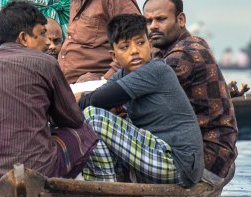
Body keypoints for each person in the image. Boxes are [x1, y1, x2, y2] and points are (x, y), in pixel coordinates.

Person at [0, 1, 112, 183]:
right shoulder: (46, 63)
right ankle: (60, 188)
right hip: (40, 172)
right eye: (42, 35)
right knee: (84, 131)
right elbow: (73, 120)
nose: (47, 43)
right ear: (23, 38)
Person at [77, 14, 204, 187]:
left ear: (150, 46)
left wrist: (75, 102)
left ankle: (106, 188)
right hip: (154, 156)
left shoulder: (156, 70)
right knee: (88, 123)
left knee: (92, 116)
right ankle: (107, 184)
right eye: (125, 47)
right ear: (114, 56)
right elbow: (101, 94)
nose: (134, 51)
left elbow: (95, 101)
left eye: (140, 43)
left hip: (178, 163)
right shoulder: (122, 75)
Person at [143, 0, 238, 179]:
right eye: (148, 21)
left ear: (181, 19)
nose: (153, 26)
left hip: (207, 161)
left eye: (160, 19)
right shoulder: (191, 43)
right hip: (219, 154)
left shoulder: (182, 56)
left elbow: (139, 103)